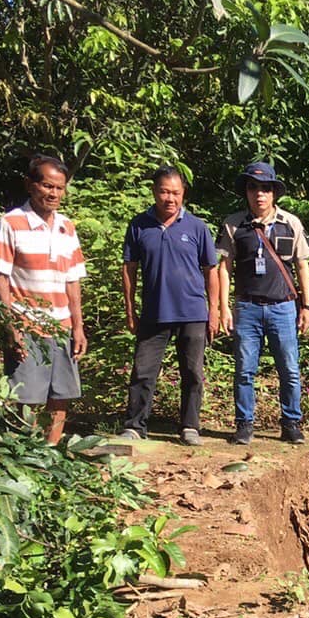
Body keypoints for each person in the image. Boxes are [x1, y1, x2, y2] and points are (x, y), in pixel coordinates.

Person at [215, 161, 309, 445]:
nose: (259, 194)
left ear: (274, 193)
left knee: (290, 369)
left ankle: (291, 423)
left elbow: (302, 265)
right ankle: (244, 424)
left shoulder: (291, 223)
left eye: (265, 188)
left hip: (283, 307)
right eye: (253, 187)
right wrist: (224, 308)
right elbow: (225, 268)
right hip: (247, 308)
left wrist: (307, 306)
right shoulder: (234, 225)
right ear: (246, 191)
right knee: (245, 371)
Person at [118, 166, 220, 446]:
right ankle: (135, 425)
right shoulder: (139, 225)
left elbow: (211, 270)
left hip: (193, 312)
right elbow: (129, 268)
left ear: (183, 193)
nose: (169, 198)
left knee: (193, 372)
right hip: (154, 312)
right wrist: (130, 309)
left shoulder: (197, 227)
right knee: (143, 371)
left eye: (175, 192)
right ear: (154, 191)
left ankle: (189, 426)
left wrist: (215, 311)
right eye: (164, 191)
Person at [0, 154, 88, 445]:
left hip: (61, 326)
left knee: (61, 396)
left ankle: (51, 455)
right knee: (26, 396)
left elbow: (73, 280)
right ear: (30, 185)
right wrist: (10, 326)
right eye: (48, 186)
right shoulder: (11, 223)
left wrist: (78, 326)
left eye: (59, 188)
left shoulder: (66, 227)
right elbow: (1, 277)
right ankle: (24, 456)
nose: (54, 193)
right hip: (26, 323)